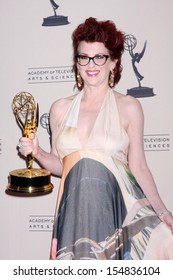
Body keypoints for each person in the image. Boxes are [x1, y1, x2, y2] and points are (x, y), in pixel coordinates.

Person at [18, 17, 173, 260]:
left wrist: (163, 212)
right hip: (73, 215)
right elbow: (63, 166)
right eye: (84, 57)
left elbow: (139, 167)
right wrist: (37, 152)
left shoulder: (129, 107)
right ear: (77, 62)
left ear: (114, 62)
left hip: (115, 214)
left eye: (99, 57)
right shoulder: (60, 109)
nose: (92, 64)